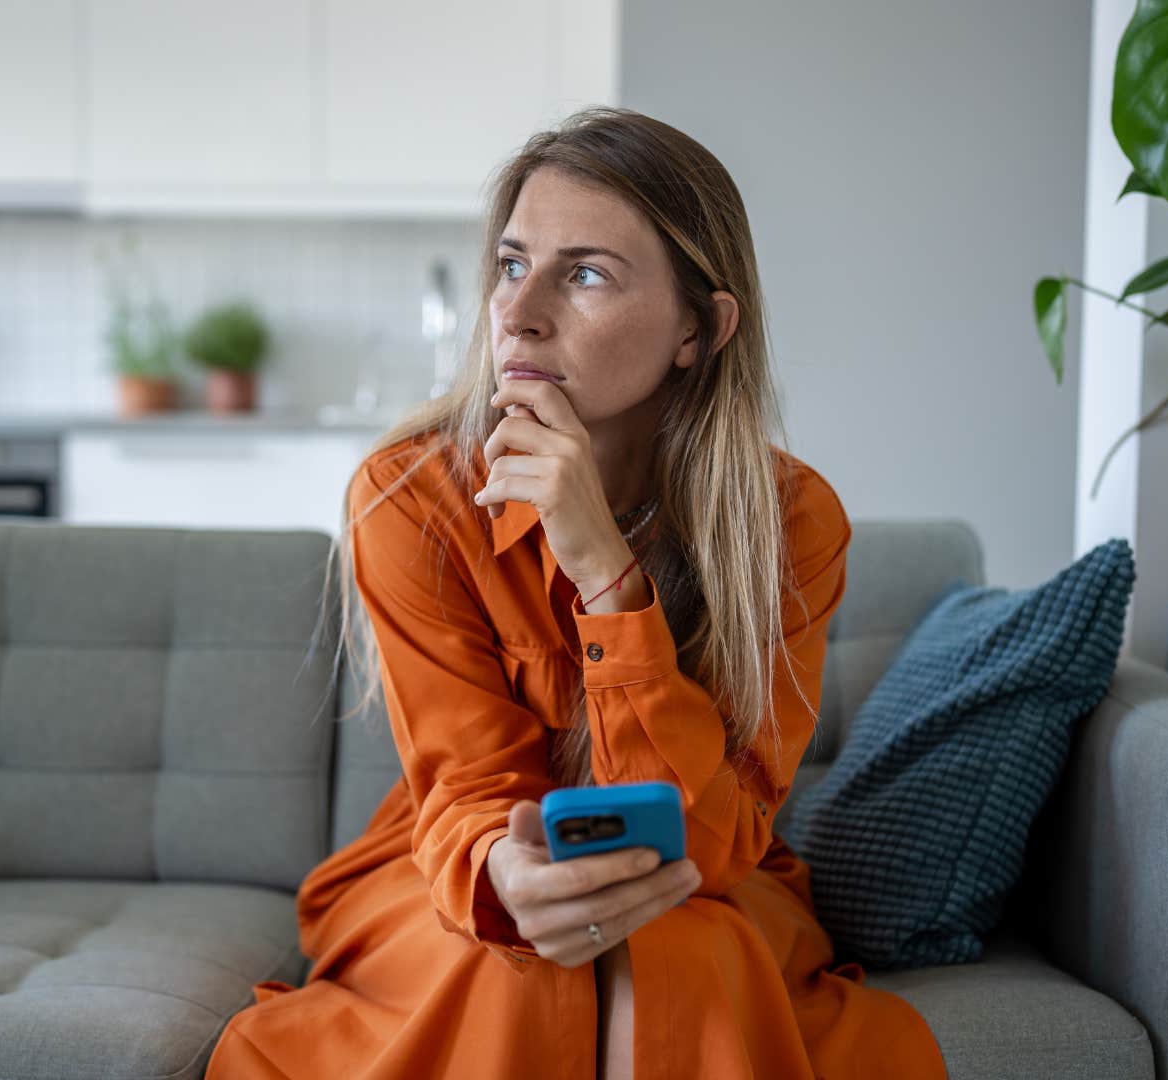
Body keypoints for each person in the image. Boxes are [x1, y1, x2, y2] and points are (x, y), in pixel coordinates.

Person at [205, 106, 947, 1080]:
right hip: (456, 863)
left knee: (683, 951)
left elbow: (722, 834)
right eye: (512, 265)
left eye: (585, 273)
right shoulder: (411, 495)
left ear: (699, 329)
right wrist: (509, 876)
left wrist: (606, 575)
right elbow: (467, 787)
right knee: (519, 961)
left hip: (701, 876)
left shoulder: (792, 522)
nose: (518, 310)